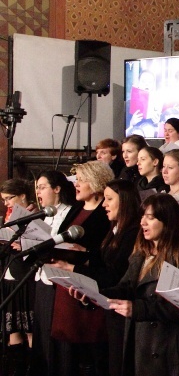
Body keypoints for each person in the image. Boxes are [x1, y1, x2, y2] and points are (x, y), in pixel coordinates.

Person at [102, 194, 179, 376]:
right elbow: (126, 286)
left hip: (167, 347)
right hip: (141, 341)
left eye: (150, 217)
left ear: (167, 220)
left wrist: (138, 309)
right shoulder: (142, 252)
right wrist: (97, 294)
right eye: (142, 217)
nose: (143, 223)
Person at [68, 180, 142, 376]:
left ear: (125, 201)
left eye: (109, 199)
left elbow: (116, 274)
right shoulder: (115, 229)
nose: (104, 204)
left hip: (123, 308)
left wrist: (74, 268)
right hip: (110, 307)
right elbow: (103, 260)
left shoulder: (133, 232)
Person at [49, 161, 114, 376]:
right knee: (67, 354)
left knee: (90, 353)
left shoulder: (106, 212)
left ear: (96, 183)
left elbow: (108, 253)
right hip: (65, 282)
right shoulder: (77, 208)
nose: (76, 184)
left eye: (82, 180)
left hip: (87, 287)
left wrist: (85, 254)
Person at [30, 171, 76, 376]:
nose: (38, 192)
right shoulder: (43, 214)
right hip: (41, 277)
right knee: (40, 335)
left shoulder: (69, 213)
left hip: (58, 280)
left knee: (55, 339)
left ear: (57, 189)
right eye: (37, 188)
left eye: (42, 187)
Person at [1, 178, 37, 375]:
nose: (6, 203)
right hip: (10, 275)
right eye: (4, 200)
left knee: (30, 331)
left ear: (22, 196)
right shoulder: (10, 216)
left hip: (26, 277)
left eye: (9, 198)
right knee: (12, 332)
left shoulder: (34, 215)